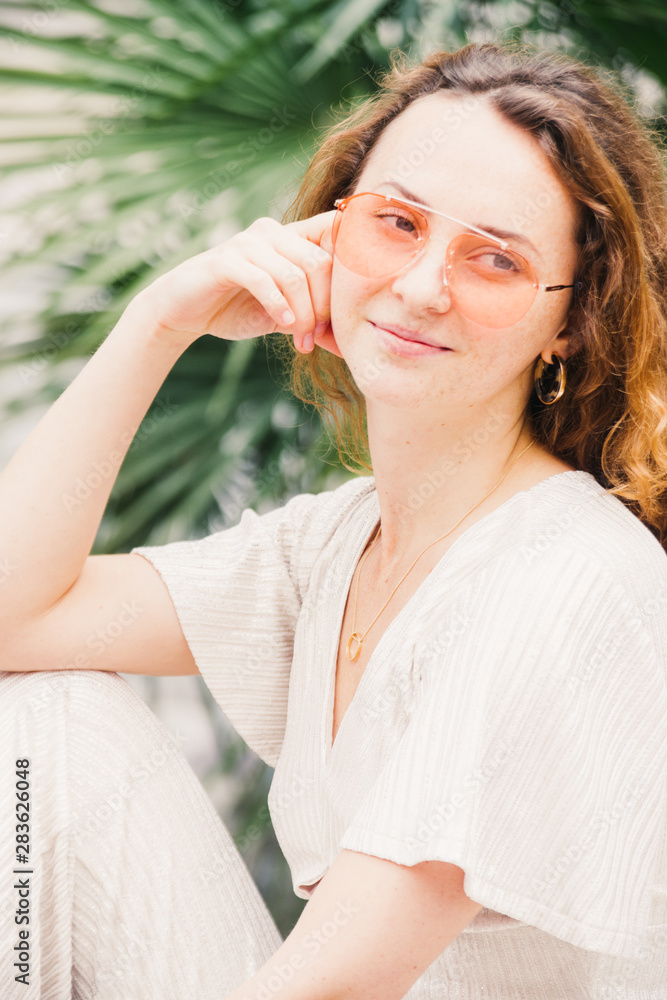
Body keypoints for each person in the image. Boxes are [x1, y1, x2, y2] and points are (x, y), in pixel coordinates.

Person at [2, 37, 666, 1000]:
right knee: (45, 720)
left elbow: (329, 988)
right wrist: (160, 320)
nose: (422, 285)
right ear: (327, 234)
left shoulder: (569, 583)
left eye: (493, 260)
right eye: (395, 223)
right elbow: (17, 618)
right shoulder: (336, 548)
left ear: (568, 321)